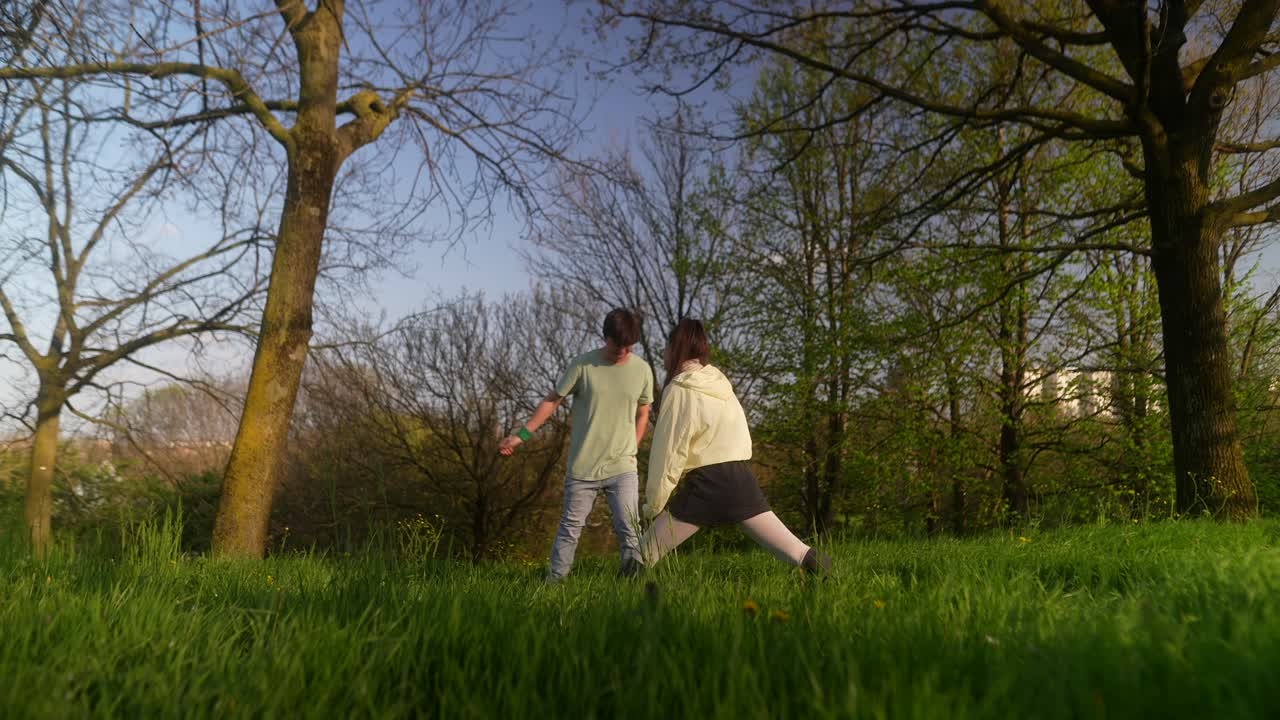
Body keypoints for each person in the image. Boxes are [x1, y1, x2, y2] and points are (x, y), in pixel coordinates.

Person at [639, 318, 832, 575]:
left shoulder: (679, 389)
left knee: (642, 555)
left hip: (706, 485)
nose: (663, 354)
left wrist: (653, 505)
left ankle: (620, 601)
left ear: (676, 348)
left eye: (666, 348)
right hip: (740, 478)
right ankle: (837, 579)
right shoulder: (720, 383)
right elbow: (740, 433)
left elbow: (669, 451)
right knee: (796, 550)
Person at [499, 308, 654, 582]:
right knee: (570, 529)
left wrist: (633, 446)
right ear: (605, 336)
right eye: (618, 344)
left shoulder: (642, 370)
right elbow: (552, 401)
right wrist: (521, 436)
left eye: (629, 345)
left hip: (623, 467)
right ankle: (554, 585)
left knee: (629, 529)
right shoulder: (583, 365)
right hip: (584, 467)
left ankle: (632, 586)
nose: (623, 350)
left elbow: (644, 412)